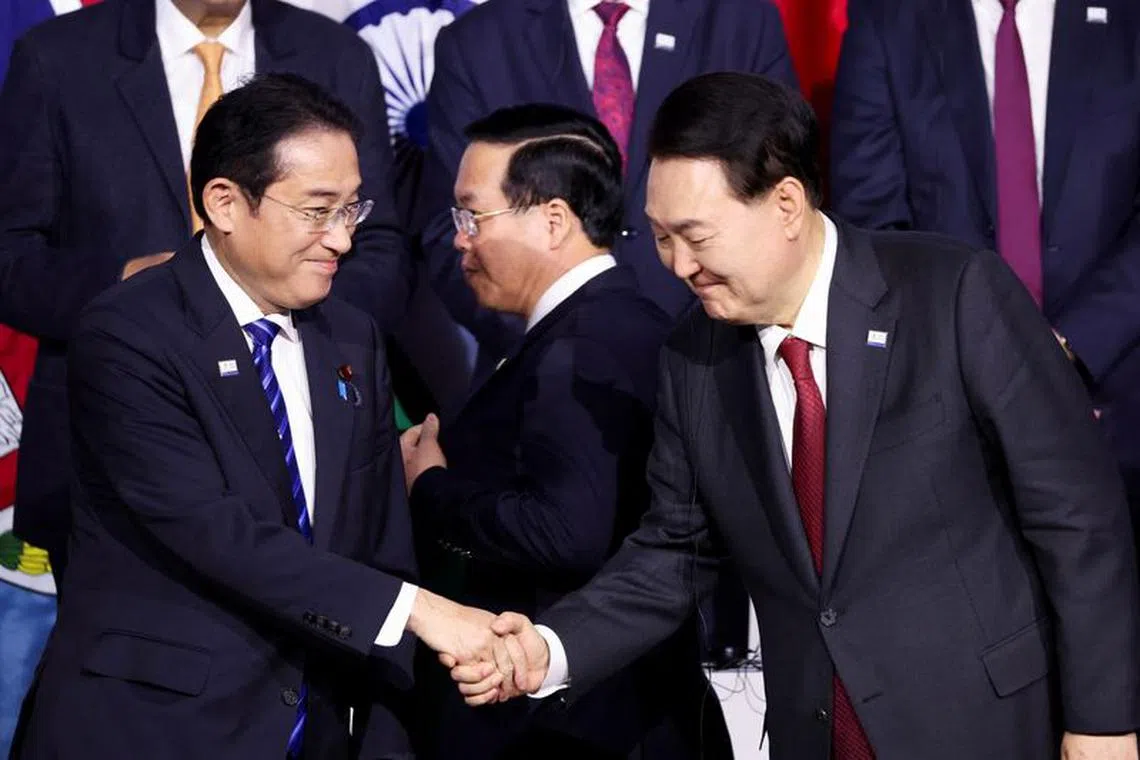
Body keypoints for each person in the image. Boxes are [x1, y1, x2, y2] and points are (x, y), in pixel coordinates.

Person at [451, 72, 1140, 760]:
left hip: (984, 726)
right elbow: (671, 553)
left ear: (785, 203)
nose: (678, 265)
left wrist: (1103, 723)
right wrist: (551, 648)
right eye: (660, 237)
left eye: (695, 235)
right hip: (812, 732)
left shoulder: (954, 294)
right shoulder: (693, 358)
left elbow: (1077, 517)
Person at [11, 74, 498, 760]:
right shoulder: (128, 333)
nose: (342, 240)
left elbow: (382, 549)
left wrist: (386, 740)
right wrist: (421, 614)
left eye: (351, 210)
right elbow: (217, 533)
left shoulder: (352, 337)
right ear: (224, 203)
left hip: (318, 734)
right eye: (316, 210)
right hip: (155, 731)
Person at [0, 0, 412, 584]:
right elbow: (10, 256)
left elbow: (379, 250)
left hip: (303, 431)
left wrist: (281, 318)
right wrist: (133, 287)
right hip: (109, 459)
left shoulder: (334, 53)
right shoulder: (55, 57)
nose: (336, 234)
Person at [399, 103, 726, 760]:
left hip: (581, 727)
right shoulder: (620, 323)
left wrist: (431, 487)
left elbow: (566, 532)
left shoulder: (584, 347)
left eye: (472, 215)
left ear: (552, 219)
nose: (458, 239)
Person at [828, 0, 1140, 544]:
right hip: (952, 403)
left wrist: (1072, 344)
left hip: (1116, 393)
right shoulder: (890, 20)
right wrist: (981, 357)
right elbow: (872, 222)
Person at [417, 0, 798, 366]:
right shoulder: (478, 41)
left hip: (720, 361)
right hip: (547, 378)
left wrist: (703, 348)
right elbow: (450, 230)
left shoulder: (741, 20)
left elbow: (777, 195)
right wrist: (558, 345)